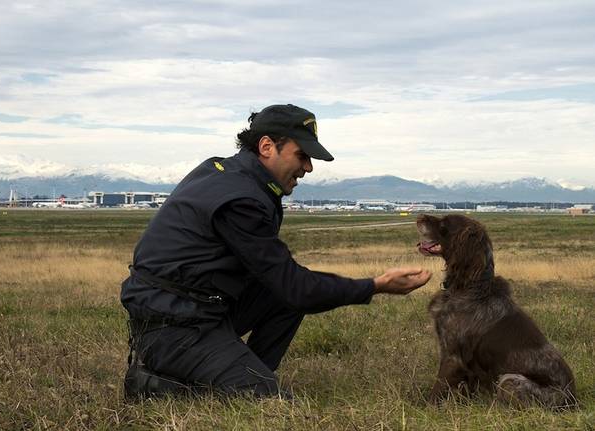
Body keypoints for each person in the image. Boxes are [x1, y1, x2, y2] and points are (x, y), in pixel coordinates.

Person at [120, 104, 432, 399]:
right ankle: (160, 384)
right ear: (267, 147)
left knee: (282, 294)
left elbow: (285, 286)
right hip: (174, 326)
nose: (308, 168)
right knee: (267, 397)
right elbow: (298, 290)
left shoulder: (227, 174)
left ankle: (243, 370)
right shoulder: (241, 199)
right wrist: (375, 285)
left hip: (194, 308)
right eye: (302, 156)